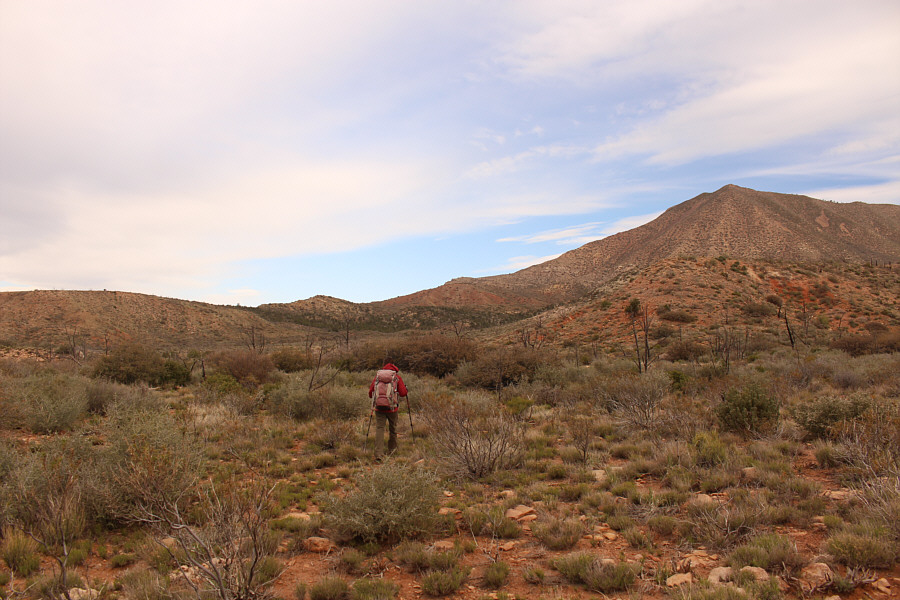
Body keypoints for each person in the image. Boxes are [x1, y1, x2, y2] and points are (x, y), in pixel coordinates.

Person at [368, 362, 408, 459]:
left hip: (379, 407)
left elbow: (370, 393)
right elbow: (403, 393)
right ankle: (392, 451)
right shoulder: (397, 377)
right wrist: (406, 389)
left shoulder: (378, 377)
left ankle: (378, 454)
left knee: (379, 429)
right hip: (392, 408)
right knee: (393, 429)